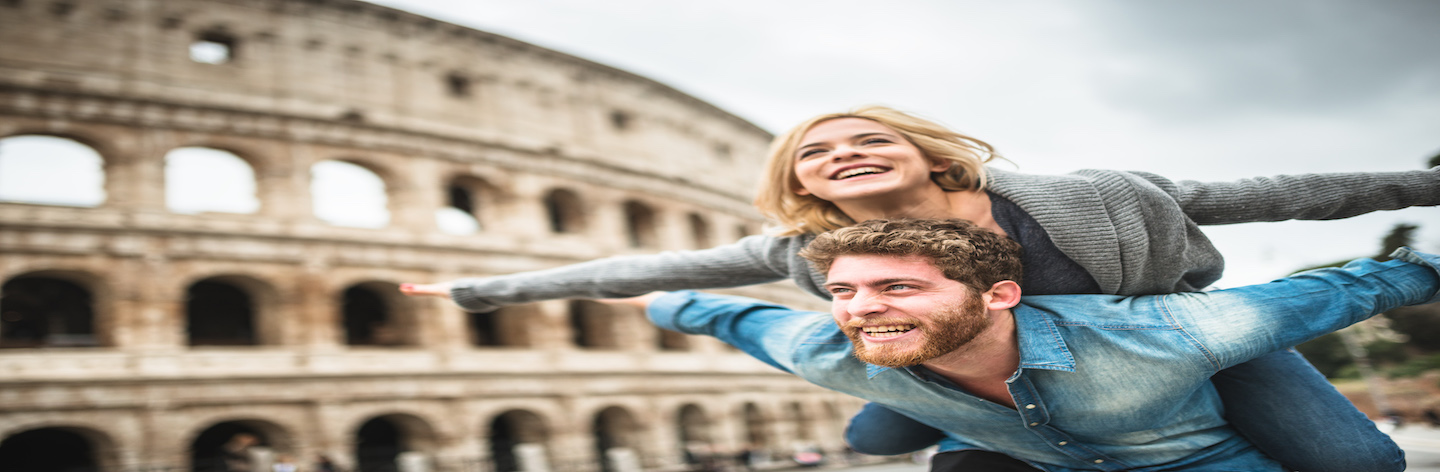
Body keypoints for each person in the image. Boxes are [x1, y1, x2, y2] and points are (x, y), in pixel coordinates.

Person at [403, 106, 1439, 471]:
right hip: (964, 374)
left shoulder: (1080, 200)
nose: (841, 156)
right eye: (816, 153)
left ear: (924, 150)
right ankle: (990, 427)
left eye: (868, 137)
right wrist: (479, 292)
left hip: (1159, 344)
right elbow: (659, 271)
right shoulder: (806, 254)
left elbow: (1280, 193)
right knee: (874, 437)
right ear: (799, 184)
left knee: (1351, 459)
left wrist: (1424, 186)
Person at [609, 218, 1440, 471]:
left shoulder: (1160, 333)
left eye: (897, 286)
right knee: (898, 443)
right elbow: (729, 317)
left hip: (1195, 458)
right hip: (1011, 450)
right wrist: (651, 299)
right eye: (845, 291)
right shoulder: (830, 348)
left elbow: (1352, 287)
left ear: (1000, 294)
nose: (861, 310)